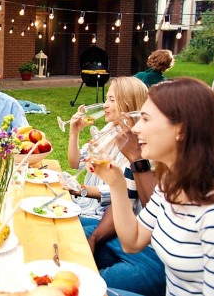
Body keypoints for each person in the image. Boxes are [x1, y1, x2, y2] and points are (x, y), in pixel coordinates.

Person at [91, 77, 214, 295]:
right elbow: (132, 241)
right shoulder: (170, 184)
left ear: (181, 129)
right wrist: (116, 184)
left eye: (145, 119)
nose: (135, 129)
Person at [65, 77, 165, 295]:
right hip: (132, 240)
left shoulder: (148, 154)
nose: (139, 128)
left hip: (156, 260)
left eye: (146, 119)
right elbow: (129, 214)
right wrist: (93, 238)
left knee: (78, 285)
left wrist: (137, 161)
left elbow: (150, 218)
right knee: (65, 237)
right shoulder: (133, 149)